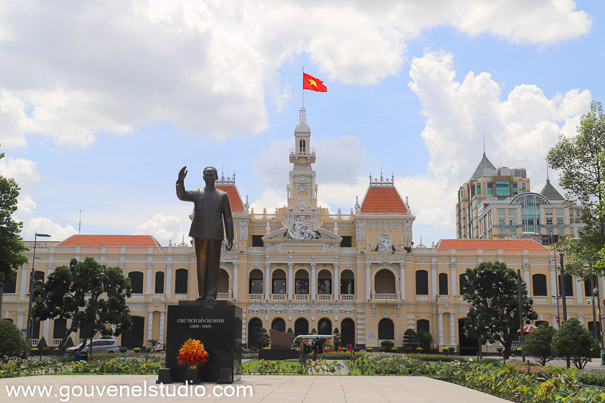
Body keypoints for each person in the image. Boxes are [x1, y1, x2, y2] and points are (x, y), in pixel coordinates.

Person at [176, 166, 234, 300]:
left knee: (214, 265)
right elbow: (182, 195)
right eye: (206, 175)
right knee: (201, 264)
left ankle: (211, 295)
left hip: (215, 234)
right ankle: (201, 294)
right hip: (200, 233)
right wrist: (180, 181)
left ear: (216, 177)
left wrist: (230, 237)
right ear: (203, 177)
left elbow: (228, 217)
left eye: (211, 175)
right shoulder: (197, 193)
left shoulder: (222, 195)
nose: (208, 177)